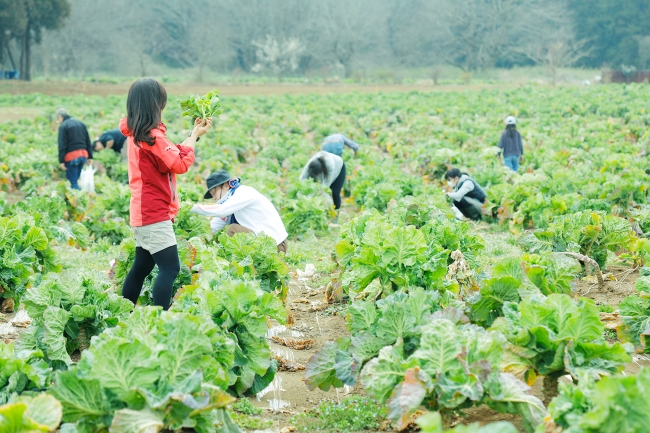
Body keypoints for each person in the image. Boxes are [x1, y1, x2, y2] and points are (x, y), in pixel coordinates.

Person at [119, 78, 211, 310]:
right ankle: (162, 320)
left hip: (142, 212)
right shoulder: (152, 137)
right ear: (155, 104)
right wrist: (193, 140)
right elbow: (179, 164)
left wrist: (193, 134)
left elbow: (170, 157)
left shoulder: (137, 135)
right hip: (154, 213)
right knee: (170, 268)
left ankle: (123, 312)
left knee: (141, 267)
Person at [190, 170, 289, 253]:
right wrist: (193, 241)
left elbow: (221, 210)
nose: (214, 198)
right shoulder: (231, 201)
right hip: (267, 244)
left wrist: (191, 208)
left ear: (225, 185)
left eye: (214, 192)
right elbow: (212, 227)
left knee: (232, 229)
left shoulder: (243, 192)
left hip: (275, 245)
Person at [56, 108, 93, 190]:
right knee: (76, 179)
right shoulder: (81, 124)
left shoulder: (63, 126)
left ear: (60, 117)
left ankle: (79, 199)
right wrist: (90, 156)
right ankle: (81, 198)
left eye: (57, 119)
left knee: (73, 182)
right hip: (83, 155)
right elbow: (88, 141)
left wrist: (61, 161)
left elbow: (62, 145)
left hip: (72, 156)